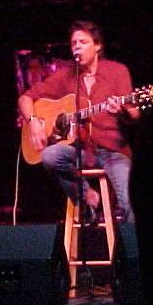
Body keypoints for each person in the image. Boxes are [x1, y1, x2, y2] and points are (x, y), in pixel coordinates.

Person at [18, 20, 140, 224]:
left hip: (113, 151)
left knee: (128, 202)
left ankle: (132, 253)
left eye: (83, 42)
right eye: (74, 43)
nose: (77, 46)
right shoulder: (66, 76)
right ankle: (87, 197)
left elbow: (135, 114)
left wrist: (120, 112)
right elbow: (25, 98)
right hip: (81, 150)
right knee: (49, 155)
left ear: (97, 46)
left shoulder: (117, 71)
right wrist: (33, 122)